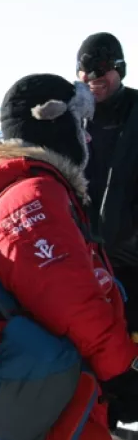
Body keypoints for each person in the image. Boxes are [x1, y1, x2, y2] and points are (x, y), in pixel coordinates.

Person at [0, 74, 138, 439]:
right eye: (79, 124)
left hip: (29, 404)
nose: (86, 137)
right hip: (49, 411)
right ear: (54, 126)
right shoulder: (34, 197)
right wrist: (123, 371)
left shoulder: (12, 192)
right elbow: (69, 301)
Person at [75, 34, 138, 334]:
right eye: (86, 70)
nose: (94, 77)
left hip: (130, 264)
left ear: (120, 69)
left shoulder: (134, 113)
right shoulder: (71, 122)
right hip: (82, 263)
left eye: (103, 67)